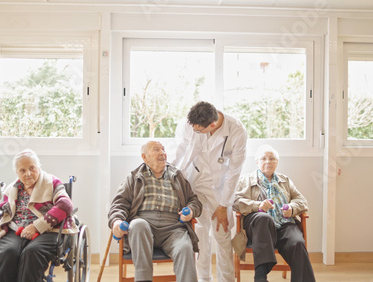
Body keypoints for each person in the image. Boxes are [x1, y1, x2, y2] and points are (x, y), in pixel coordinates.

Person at [172, 101, 247, 282]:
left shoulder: (236, 131)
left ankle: (226, 280)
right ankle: (204, 279)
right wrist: (172, 181)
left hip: (220, 188)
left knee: (222, 236)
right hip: (195, 184)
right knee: (200, 235)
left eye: (199, 130)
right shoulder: (189, 125)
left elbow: (234, 172)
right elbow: (180, 153)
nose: (195, 132)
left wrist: (223, 205)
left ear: (212, 125)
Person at [108, 140, 203, 282]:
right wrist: (116, 221)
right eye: (156, 149)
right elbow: (119, 204)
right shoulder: (134, 177)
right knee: (138, 224)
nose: (162, 153)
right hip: (144, 225)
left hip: (173, 228)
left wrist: (190, 211)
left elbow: (194, 200)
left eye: (163, 149)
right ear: (145, 157)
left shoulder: (177, 176)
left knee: (184, 247)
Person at [0, 149, 78, 282]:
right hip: (16, 231)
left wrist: (37, 226)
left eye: (32, 168)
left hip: (48, 231)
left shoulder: (51, 182)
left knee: (32, 252)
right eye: (22, 170)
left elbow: (66, 205)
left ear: (39, 167)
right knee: (8, 252)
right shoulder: (12, 188)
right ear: (17, 173)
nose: (28, 173)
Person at [233, 145, 315, 282]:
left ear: (277, 162)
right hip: (258, 226)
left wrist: (291, 208)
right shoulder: (246, 180)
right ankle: (260, 277)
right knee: (264, 218)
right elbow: (235, 201)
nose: (268, 162)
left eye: (272, 159)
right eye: (263, 158)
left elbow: (301, 200)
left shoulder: (285, 180)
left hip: (284, 224)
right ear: (257, 162)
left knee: (297, 243)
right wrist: (257, 205)